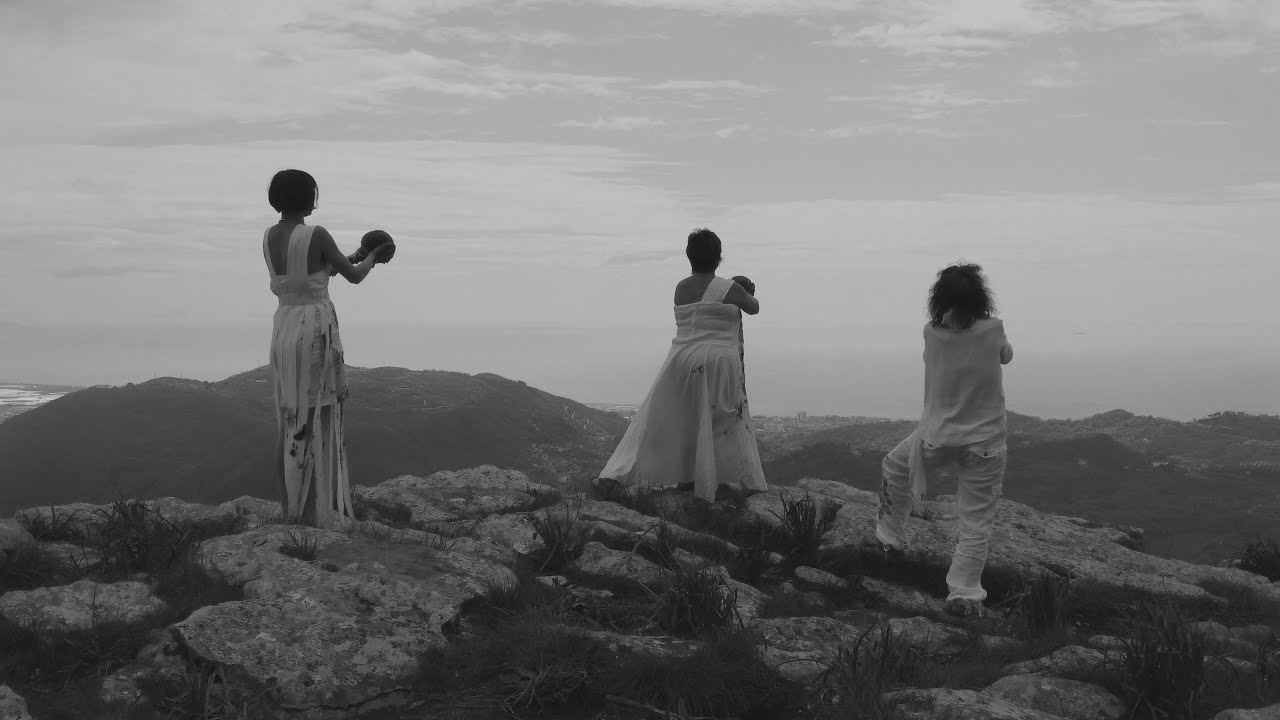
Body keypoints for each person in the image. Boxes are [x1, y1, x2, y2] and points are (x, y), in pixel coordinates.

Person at [875, 263, 1014, 617]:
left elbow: (931, 357)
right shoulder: (994, 329)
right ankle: (964, 594)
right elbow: (1006, 356)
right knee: (976, 522)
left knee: (894, 466)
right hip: (985, 442)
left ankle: (890, 538)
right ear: (981, 295)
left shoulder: (932, 333)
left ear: (939, 299)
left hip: (936, 439)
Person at [597, 229, 769, 502]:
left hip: (681, 359)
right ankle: (724, 481)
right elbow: (753, 307)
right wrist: (745, 290)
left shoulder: (680, 288)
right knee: (724, 420)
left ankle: (688, 478)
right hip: (718, 360)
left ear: (689, 257)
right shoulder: (729, 288)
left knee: (689, 419)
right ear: (719, 257)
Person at [262, 169, 391, 528]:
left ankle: (290, 508)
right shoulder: (316, 234)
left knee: (289, 419)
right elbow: (354, 276)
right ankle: (312, 513)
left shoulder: (269, 236)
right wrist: (373, 257)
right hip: (314, 331)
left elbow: (311, 275)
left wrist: (354, 254)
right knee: (316, 417)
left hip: (284, 328)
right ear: (309, 197)